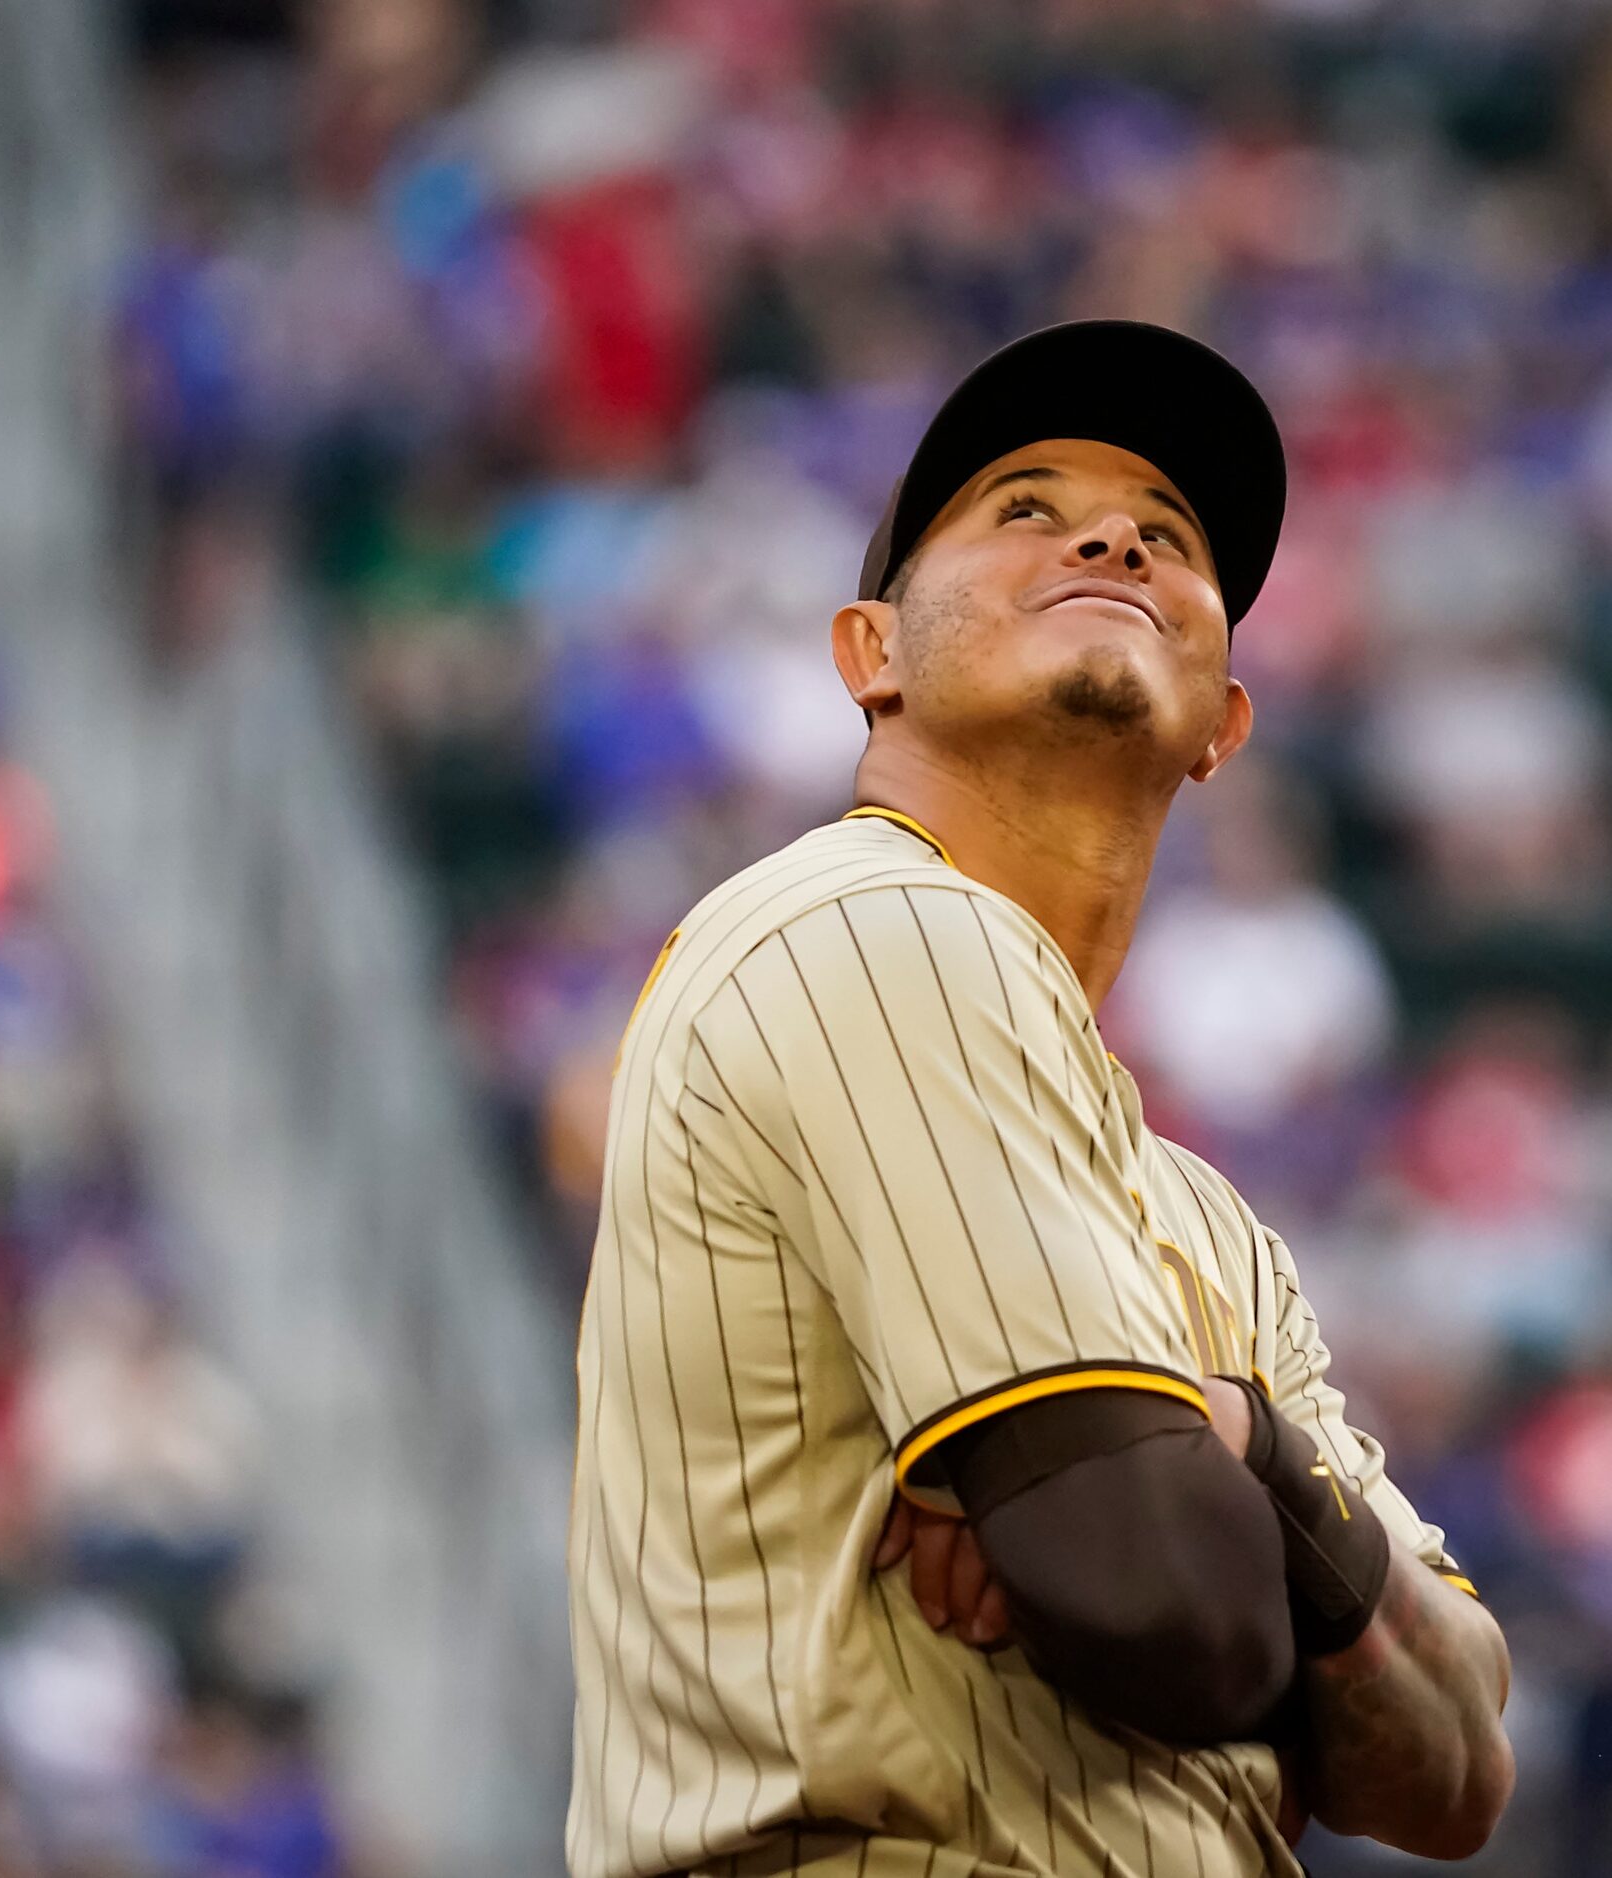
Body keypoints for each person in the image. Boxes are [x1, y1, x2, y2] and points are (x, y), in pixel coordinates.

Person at [567, 320, 1513, 1878]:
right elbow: (1173, 1605)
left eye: (1171, 530)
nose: (1112, 530)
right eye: (1021, 502)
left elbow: (1458, 1766)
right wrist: (1226, 1539)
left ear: (1224, 725)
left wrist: (1226, 1439)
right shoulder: (863, 925)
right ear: (867, 653)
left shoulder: (1209, 1224)